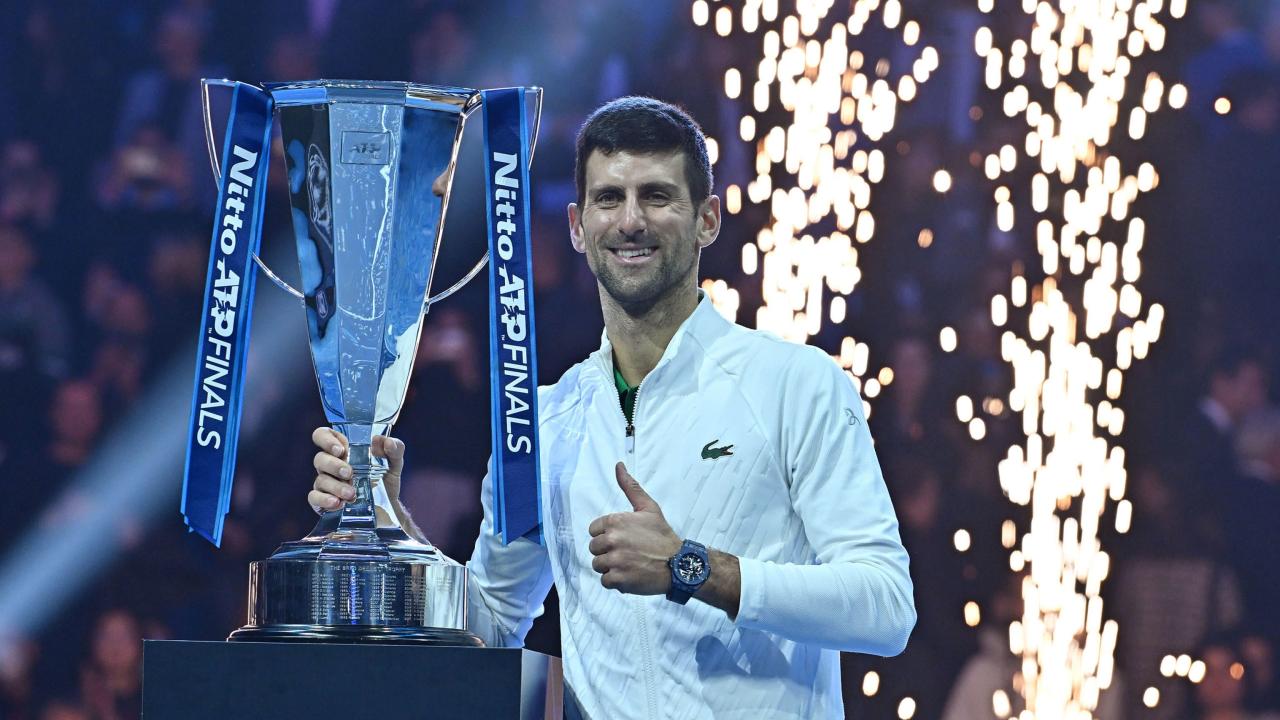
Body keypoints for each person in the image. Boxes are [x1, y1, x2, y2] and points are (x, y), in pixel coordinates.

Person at [307, 97, 915, 718]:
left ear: (706, 220)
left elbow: (886, 606)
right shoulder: (541, 422)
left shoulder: (796, 384)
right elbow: (489, 626)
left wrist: (692, 569)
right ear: (577, 226)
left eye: (656, 196)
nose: (630, 221)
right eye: (608, 199)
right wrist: (388, 519)